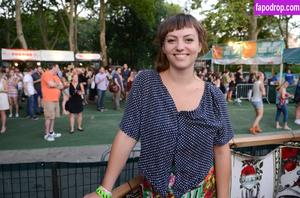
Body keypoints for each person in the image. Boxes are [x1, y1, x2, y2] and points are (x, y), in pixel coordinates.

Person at [84, 13, 233, 198]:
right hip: (152, 192)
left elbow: (221, 151)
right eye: (171, 40)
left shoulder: (214, 96)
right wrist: (104, 191)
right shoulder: (145, 83)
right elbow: (126, 135)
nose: (180, 47)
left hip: (203, 192)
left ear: (199, 45)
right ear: (163, 46)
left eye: (188, 39)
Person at [41, 64, 63, 141]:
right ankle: (47, 134)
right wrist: (55, 85)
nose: (59, 69)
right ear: (54, 67)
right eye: (58, 67)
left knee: (53, 117)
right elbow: (51, 84)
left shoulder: (55, 76)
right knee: (48, 117)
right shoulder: (46, 74)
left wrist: (54, 85)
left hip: (55, 99)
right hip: (48, 99)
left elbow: (61, 86)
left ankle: (51, 132)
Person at [0, 69, 9, 133]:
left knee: (2, 112)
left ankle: (3, 126)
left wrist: (1, 91)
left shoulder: (3, 80)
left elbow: (7, 90)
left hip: (2, 97)